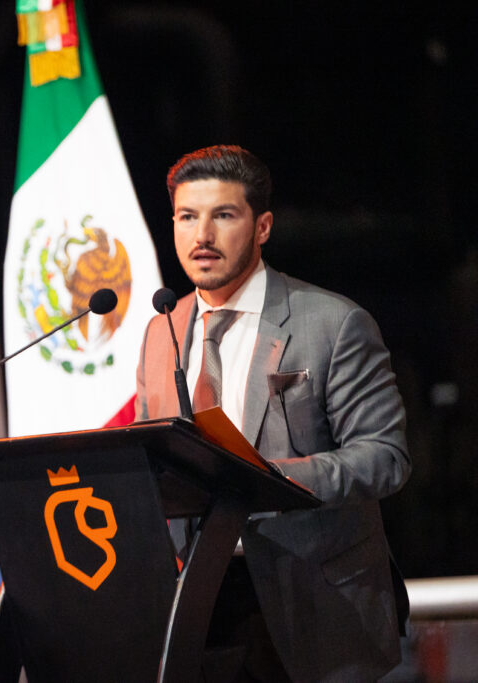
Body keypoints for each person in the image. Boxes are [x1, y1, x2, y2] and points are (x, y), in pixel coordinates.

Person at [131, 145, 411, 681]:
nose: (201, 235)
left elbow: (384, 458)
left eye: (223, 215)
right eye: (187, 217)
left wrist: (267, 479)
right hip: (199, 603)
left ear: (262, 227)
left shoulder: (333, 322)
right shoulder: (160, 330)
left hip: (314, 599)